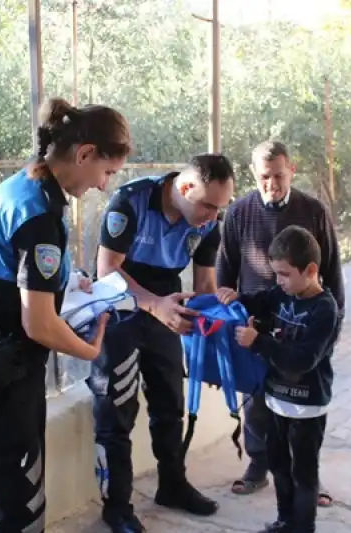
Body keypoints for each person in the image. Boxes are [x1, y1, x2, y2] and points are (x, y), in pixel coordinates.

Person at [0, 97, 132, 533]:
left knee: (20, 511)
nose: (105, 186)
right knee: (23, 517)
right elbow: (40, 323)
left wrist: (70, 282)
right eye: (107, 172)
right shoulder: (39, 214)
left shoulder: (23, 186)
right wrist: (88, 349)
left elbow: (16, 277)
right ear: (85, 153)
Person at [89, 154, 235, 533]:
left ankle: (172, 484)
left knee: (170, 404)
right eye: (207, 205)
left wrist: (215, 331)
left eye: (221, 208)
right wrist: (154, 305)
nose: (213, 216)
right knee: (115, 409)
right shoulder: (130, 201)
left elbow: (204, 285)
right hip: (119, 310)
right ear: (185, 188)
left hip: (167, 307)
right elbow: (106, 271)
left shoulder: (207, 223)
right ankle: (117, 507)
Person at [216, 140, 345, 504]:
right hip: (257, 327)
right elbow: (225, 270)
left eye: (277, 175)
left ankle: (308, 477)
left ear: (292, 170)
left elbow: (332, 271)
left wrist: (331, 331)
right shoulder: (238, 212)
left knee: (304, 408)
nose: (271, 183)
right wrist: (229, 315)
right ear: (253, 175)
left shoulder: (314, 211)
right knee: (257, 401)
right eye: (263, 177)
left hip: (305, 331)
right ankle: (258, 466)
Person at [216, 225, 339, 533]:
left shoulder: (324, 309)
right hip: (275, 401)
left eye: (284, 274)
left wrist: (257, 341)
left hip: (306, 408)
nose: (279, 282)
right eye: (276, 275)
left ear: (310, 270)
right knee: (279, 467)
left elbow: (301, 360)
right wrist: (236, 298)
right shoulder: (281, 294)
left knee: (304, 474)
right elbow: (259, 301)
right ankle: (285, 521)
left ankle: (303, 527)